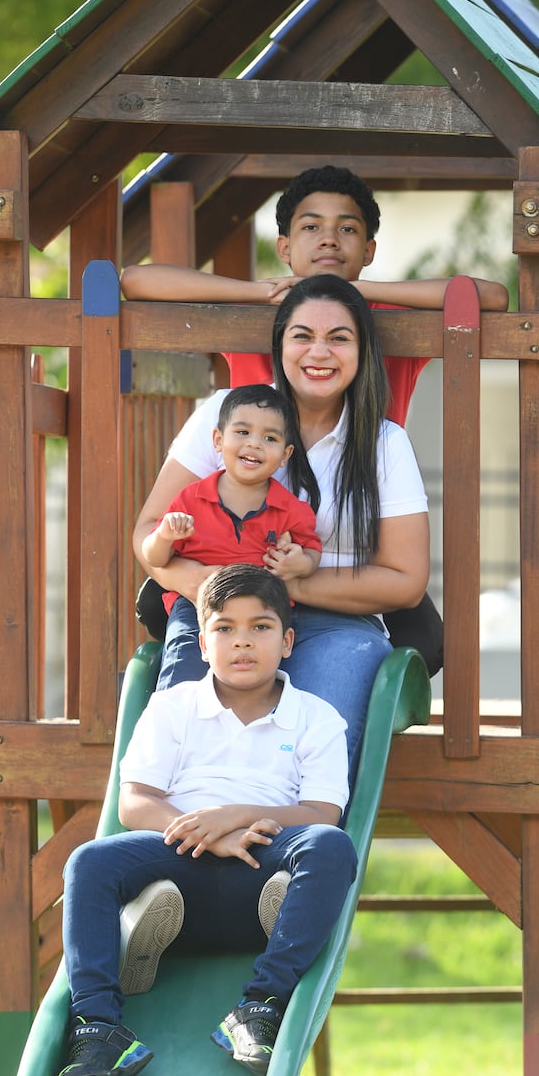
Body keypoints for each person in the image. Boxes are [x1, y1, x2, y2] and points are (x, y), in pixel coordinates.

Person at [52, 565, 357, 1076]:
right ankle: (98, 1029)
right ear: (202, 642)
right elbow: (135, 801)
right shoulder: (173, 707)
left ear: (287, 642)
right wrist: (207, 835)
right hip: (178, 858)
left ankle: (259, 1007)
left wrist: (235, 816)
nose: (242, 641)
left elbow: (323, 811)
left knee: (329, 847)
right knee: (88, 862)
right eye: (225, 629)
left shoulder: (317, 717)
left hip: (265, 858)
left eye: (261, 628)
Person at [133, 273, 430, 778]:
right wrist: (198, 584)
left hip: (339, 623)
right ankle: (190, 836)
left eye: (339, 338)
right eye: (302, 335)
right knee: (191, 743)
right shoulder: (228, 417)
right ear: (279, 345)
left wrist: (294, 581)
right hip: (224, 611)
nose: (320, 351)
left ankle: (294, 846)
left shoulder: (384, 442)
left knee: (304, 757)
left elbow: (406, 579)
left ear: (362, 352)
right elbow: (149, 529)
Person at [120, 163, 509, 426]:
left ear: (368, 250)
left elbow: (493, 297)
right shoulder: (255, 307)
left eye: (347, 229)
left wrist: (359, 290)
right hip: (263, 506)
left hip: (367, 500)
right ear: (285, 249)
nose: (328, 239)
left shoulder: (389, 310)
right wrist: (257, 291)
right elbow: (136, 281)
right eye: (311, 227)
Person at [141, 384, 321, 635]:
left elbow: (312, 550)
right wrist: (163, 537)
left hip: (264, 608)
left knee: (262, 667)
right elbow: (154, 558)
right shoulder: (191, 499)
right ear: (218, 440)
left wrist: (300, 564)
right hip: (197, 608)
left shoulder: (291, 510)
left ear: (285, 454)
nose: (254, 444)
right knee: (184, 662)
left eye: (270, 438)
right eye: (243, 432)